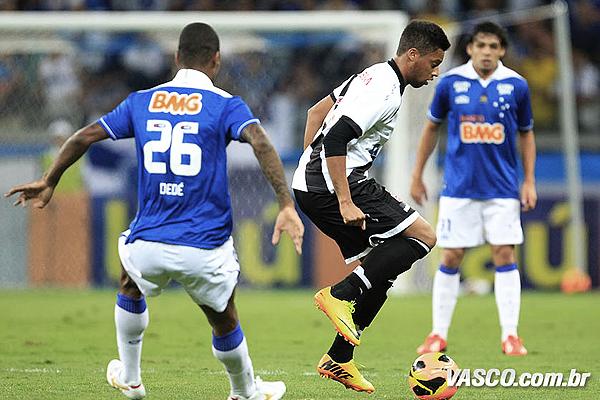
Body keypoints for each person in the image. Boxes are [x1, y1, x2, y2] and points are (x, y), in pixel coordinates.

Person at [6, 22, 304, 400]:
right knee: (224, 317)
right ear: (216, 60)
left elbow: (83, 135)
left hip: (148, 242)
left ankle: (130, 377)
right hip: (204, 246)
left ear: (177, 58)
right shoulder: (226, 104)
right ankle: (244, 391)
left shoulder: (140, 101)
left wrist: (50, 179)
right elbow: (259, 140)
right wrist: (285, 204)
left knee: (129, 283)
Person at [292, 20, 450, 393]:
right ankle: (339, 294)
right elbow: (336, 135)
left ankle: (338, 359)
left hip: (316, 182)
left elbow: (315, 113)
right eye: (433, 62)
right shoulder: (384, 90)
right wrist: (343, 199)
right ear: (412, 55)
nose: (435, 72)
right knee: (423, 237)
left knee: (384, 270)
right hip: (338, 184)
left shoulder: (370, 75)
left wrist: (306, 168)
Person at [410, 21, 536, 357]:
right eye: (481, 46)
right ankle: (438, 334)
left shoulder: (516, 85)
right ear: (470, 49)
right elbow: (431, 128)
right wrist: (417, 174)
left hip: (503, 188)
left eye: (493, 47)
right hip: (458, 187)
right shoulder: (451, 82)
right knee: (451, 256)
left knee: (504, 255)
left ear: (502, 50)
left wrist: (529, 180)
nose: (486, 52)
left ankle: (511, 335)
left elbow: (526, 133)